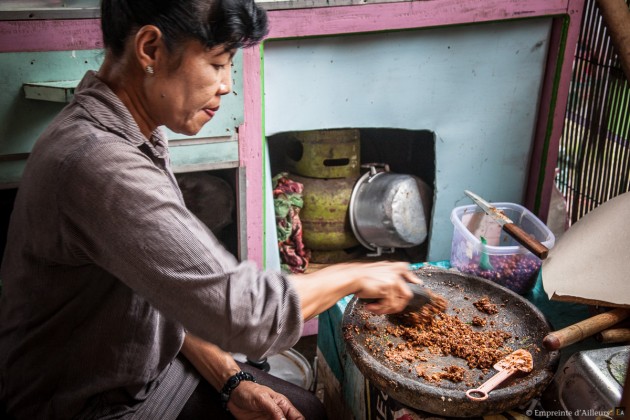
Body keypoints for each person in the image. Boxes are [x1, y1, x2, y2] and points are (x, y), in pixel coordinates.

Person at [0, 0, 420, 419]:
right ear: (150, 48)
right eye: (219, 63)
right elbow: (246, 314)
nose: (227, 85)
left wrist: (231, 380)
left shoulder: (124, 130)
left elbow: (167, 295)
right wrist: (355, 273)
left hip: (147, 375)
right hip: (91, 406)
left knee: (305, 409)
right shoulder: (99, 165)